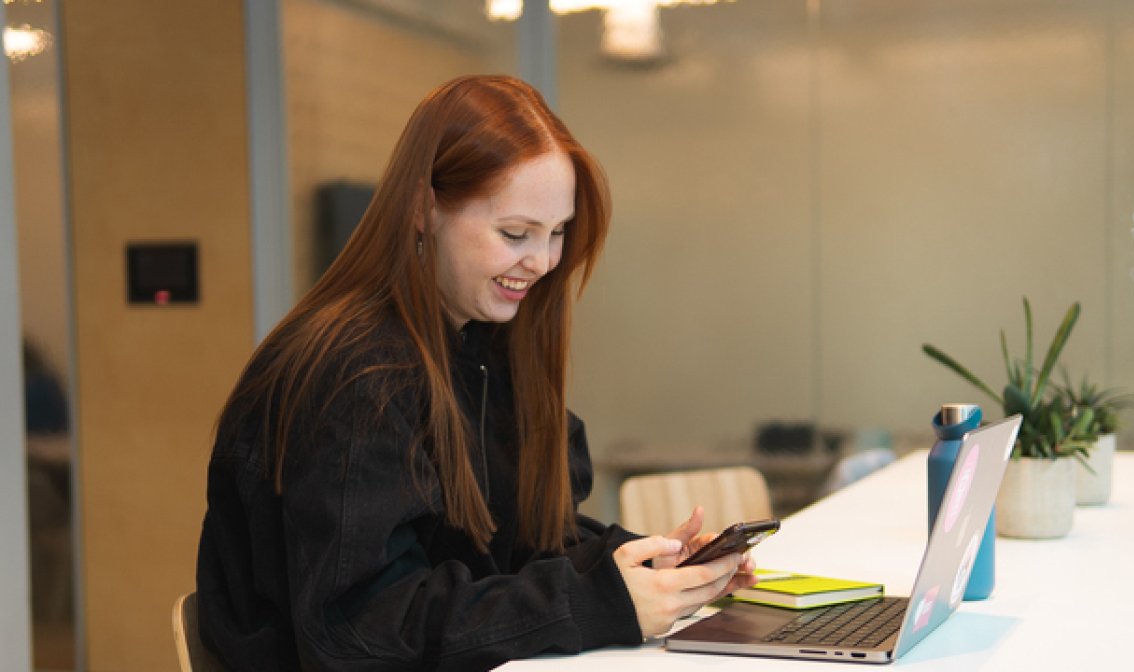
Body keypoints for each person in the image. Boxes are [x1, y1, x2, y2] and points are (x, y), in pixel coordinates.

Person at [196, 74, 756, 671]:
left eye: (557, 233)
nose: (540, 263)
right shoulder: (355, 375)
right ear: (423, 208)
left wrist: (642, 568)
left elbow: (519, 545)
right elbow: (362, 630)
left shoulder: (483, 345)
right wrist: (592, 602)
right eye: (515, 233)